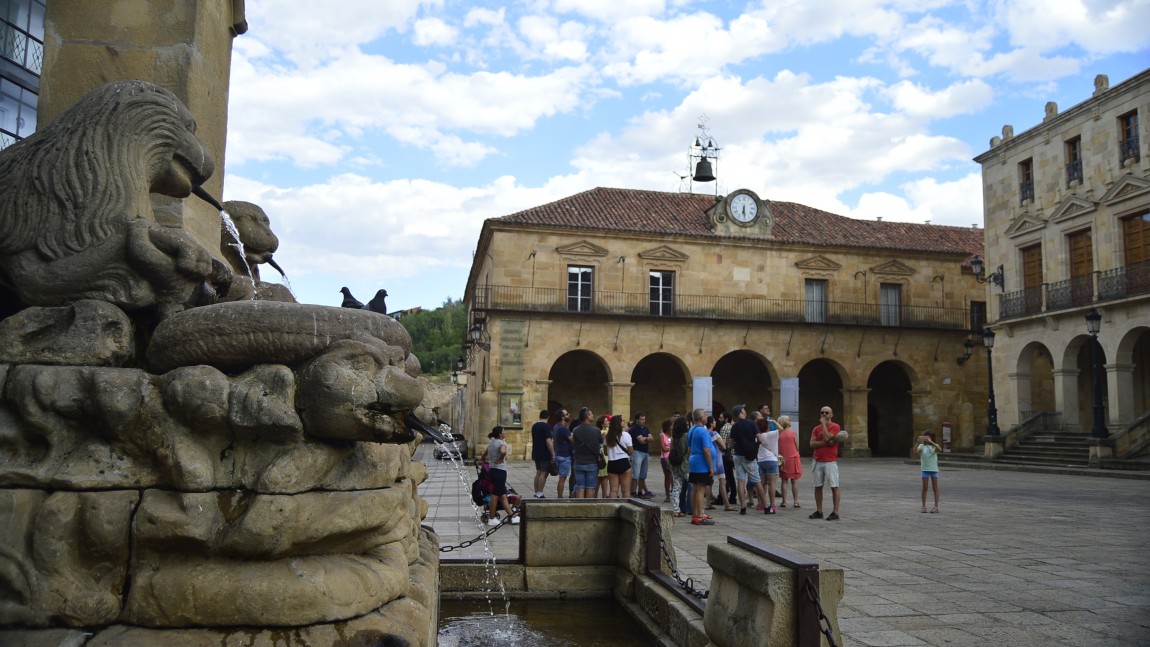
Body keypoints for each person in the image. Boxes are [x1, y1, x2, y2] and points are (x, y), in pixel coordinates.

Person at [729, 405, 766, 516]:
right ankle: (766, 506)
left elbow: (731, 444)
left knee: (740, 481)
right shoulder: (751, 423)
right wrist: (754, 446)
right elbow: (760, 439)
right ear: (742, 412)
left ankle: (743, 507)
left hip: (738, 456)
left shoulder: (734, 426)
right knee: (757, 480)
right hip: (749, 457)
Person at [809, 406, 843, 521]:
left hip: (830, 461)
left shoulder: (835, 426)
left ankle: (835, 512)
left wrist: (824, 425)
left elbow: (828, 436)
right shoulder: (815, 428)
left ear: (831, 414)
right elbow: (812, 444)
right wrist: (827, 443)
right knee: (818, 486)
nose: (824, 414)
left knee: (834, 485)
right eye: (822, 412)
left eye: (826, 412)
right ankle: (819, 511)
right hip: (817, 460)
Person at [686, 408, 716, 526]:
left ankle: (696, 513)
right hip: (702, 463)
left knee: (695, 488)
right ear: (700, 417)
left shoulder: (692, 429)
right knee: (701, 489)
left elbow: (689, 448)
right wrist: (711, 466)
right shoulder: (702, 431)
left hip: (694, 461)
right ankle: (699, 515)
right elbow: (706, 450)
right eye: (705, 414)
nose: (706, 417)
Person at [485, 426, 519, 526]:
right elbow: (503, 451)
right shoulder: (502, 443)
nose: (505, 433)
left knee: (503, 495)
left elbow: (486, 452)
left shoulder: (491, 442)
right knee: (495, 496)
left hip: (492, 470)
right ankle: (491, 518)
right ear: (500, 434)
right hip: (500, 471)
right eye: (504, 432)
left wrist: (483, 458)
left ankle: (512, 516)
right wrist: (501, 458)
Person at [570, 407, 601, 499]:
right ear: (587, 416)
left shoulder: (575, 430)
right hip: (592, 462)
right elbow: (599, 443)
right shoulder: (596, 430)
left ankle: (579, 507)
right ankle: (588, 509)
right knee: (590, 487)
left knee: (580, 487)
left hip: (578, 462)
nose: (592, 415)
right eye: (591, 414)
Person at [707, 415, 733, 511]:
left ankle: (708, 503)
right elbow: (723, 446)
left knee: (709, 482)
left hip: (709, 460)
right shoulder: (715, 433)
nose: (715, 422)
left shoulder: (705, 434)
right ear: (711, 423)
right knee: (723, 482)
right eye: (714, 421)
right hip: (718, 459)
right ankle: (727, 504)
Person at [756, 414, 781, 514]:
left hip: (761, 461)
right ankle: (772, 505)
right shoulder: (772, 434)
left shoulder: (757, 436)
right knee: (772, 484)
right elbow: (782, 429)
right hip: (771, 460)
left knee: (762, 484)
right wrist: (774, 421)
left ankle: (761, 504)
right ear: (767, 426)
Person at [776, 415, 802, 508]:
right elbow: (797, 446)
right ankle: (796, 501)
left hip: (781, 458)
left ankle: (784, 501)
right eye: (789, 420)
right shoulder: (793, 433)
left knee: (784, 480)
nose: (791, 421)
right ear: (786, 422)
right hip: (792, 457)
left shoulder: (778, 433)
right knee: (794, 480)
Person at [605, 414, 633, 498]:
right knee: (626, 490)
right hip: (623, 462)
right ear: (618, 423)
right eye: (622, 420)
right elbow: (630, 451)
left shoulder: (607, 436)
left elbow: (605, 452)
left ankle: (612, 508)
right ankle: (626, 509)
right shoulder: (626, 435)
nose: (624, 421)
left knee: (613, 490)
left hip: (612, 463)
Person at [915, 431, 942, 513]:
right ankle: (923, 506)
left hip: (934, 469)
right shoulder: (921, 446)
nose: (926, 439)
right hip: (925, 469)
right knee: (925, 488)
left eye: (928, 437)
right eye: (925, 437)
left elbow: (940, 450)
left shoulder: (934, 446)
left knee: (935, 487)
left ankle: (936, 506)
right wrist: (917, 442)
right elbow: (915, 452)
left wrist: (932, 442)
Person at [669, 415, 691, 517]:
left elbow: (671, 449)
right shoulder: (686, 436)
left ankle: (676, 509)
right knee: (693, 485)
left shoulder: (674, 437)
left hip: (675, 464)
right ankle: (693, 507)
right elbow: (689, 450)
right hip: (685, 464)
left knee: (676, 487)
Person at [530, 409, 555, 499]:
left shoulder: (534, 426)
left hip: (536, 452)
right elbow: (548, 441)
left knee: (538, 472)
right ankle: (540, 492)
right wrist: (553, 453)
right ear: (548, 417)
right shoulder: (546, 426)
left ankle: (536, 492)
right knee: (544, 473)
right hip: (544, 453)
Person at [629, 413, 654, 498]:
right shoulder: (634, 429)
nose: (643, 421)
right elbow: (641, 441)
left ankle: (640, 492)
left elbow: (652, 438)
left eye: (644, 419)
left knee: (643, 474)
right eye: (641, 419)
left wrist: (645, 438)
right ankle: (633, 492)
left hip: (645, 452)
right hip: (637, 452)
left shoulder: (646, 429)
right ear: (637, 420)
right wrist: (647, 439)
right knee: (635, 474)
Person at [552, 409, 573, 498]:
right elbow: (572, 440)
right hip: (564, 456)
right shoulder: (563, 428)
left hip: (558, 454)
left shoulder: (556, 426)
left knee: (562, 477)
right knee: (562, 478)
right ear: (562, 417)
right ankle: (560, 496)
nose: (569, 415)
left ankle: (559, 495)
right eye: (567, 414)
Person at [718, 411, 737, 503]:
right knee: (730, 476)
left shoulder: (724, 428)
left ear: (726, 419)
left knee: (725, 476)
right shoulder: (732, 427)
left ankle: (723, 496)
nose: (719, 419)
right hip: (732, 454)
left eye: (721, 418)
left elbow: (723, 443)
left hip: (726, 455)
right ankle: (732, 495)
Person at [595, 415, 611, 497]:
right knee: (603, 477)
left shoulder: (607, 430)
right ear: (602, 424)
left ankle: (599, 495)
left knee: (603, 476)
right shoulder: (601, 432)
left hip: (604, 454)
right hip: (602, 455)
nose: (608, 422)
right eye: (606, 421)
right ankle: (603, 495)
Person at [658, 418, 673, 502]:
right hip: (665, 458)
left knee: (674, 477)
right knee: (667, 476)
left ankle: (674, 493)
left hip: (673, 457)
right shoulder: (662, 435)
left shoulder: (673, 435)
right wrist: (671, 448)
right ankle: (667, 494)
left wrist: (669, 448)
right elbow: (663, 448)